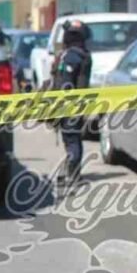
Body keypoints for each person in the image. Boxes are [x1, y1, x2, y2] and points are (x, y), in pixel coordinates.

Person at [51, 20, 92, 186]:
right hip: (71, 105)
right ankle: (72, 174)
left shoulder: (68, 56)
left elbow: (60, 81)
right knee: (72, 139)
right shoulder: (80, 56)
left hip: (65, 105)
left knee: (71, 139)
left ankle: (72, 174)